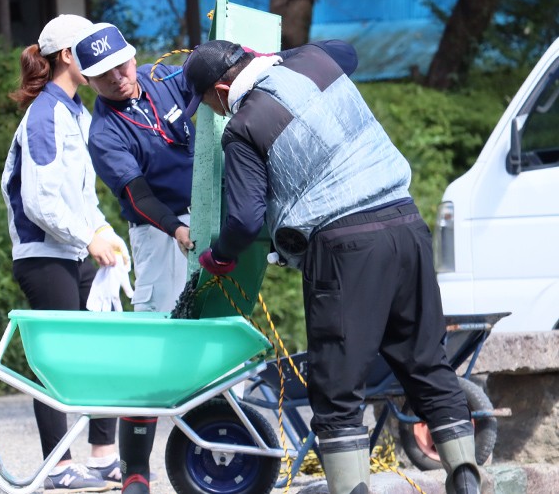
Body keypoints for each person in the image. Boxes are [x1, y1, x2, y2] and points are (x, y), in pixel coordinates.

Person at [182, 39, 481, 494]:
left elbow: (244, 219)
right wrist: (277, 55)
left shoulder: (242, 128)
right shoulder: (314, 61)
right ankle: (467, 479)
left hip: (345, 248)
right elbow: (348, 52)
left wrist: (220, 256)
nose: (212, 112)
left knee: (337, 387)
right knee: (427, 364)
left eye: (207, 102)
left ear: (222, 90)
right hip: (406, 225)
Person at [0, 14, 130, 492]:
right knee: (57, 360)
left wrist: (104, 232)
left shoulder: (79, 112)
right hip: (42, 254)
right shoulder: (45, 115)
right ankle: (57, 466)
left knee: (103, 347)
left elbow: (82, 195)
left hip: (73, 248)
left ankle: (103, 455)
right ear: (69, 56)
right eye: (90, 47)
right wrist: (87, 237)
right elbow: (40, 200)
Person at [71, 22, 195, 493]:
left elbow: (209, 91)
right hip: (158, 232)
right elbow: (138, 196)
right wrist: (177, 229)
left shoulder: (166, 77)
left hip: (210, 215)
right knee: (151, 346)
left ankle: (227, 441)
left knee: (224, 331)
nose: (116, 77)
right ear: (87, 80)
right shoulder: (104, 133)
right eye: (102, 74)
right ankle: (136, 471)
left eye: (120, 65)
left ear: (133, 55)